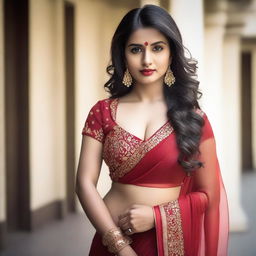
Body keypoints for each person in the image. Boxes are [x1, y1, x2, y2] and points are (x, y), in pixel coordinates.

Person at [75, 4, 229, 256]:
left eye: (157, 48)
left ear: (171, 53)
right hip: (110, 240)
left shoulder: (193, 119)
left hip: (167, 245)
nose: (147, 60)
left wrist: (156, 217)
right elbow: (84, 183)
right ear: (123, 54)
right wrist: (119, 245)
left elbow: (208, 195)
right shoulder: (102, 111)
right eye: (136, 49)